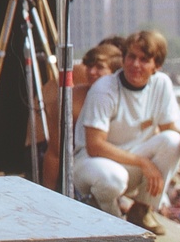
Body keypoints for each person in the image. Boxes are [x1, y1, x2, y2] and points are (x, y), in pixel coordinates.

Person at [73, 30, 180, 229]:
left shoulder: (161, 84)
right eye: (131, 57)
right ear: (124, 58)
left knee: (173, 140)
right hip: (91, 163)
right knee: (113, 178)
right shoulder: (105, 88)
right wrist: (142, 162)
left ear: (157, 66)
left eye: (144, 59)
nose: (135, 64)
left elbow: (167, 128)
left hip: (129, 161)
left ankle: (141, 210)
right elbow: (94, 146)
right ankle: (114, 221)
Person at [38, 43, 122, 190]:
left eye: (99, 67)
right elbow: (54, 153)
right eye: (89, 66)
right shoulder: (71, 100)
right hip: (84, 168)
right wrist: (48, 193)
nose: (91, 72)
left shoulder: (126, 97)